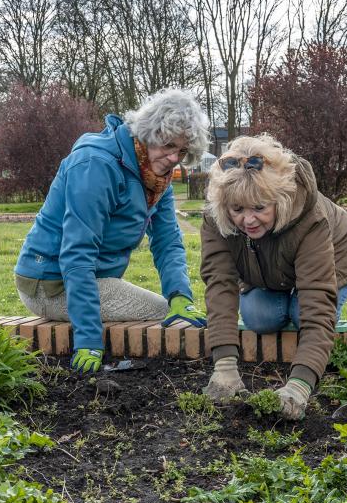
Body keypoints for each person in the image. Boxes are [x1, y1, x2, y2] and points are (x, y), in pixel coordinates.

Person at [14, 88, 209, 373]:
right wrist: (88, 338)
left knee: (177, 310)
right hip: (49, 284)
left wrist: (180, 295)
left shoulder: (156, 176)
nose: (173, 158)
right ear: (149, 132)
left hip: (89, 279)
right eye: (168, 145)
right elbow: (77, 252)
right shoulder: (97, 165)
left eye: (181, 151)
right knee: (163, 314)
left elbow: (167, 240)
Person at [200, 134, 347, 419]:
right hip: (272, 264)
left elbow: (317, 305)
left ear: (278, 198)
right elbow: (220, 284)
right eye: (237, 209)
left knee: (303, 312)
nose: (248, 220)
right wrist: (224, 366)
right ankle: (287, 295)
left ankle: (296, 308)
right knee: (258, 317)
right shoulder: (217, 220)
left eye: (259, 208)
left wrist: (300, 386)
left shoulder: (310, 218)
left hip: (337, 253)